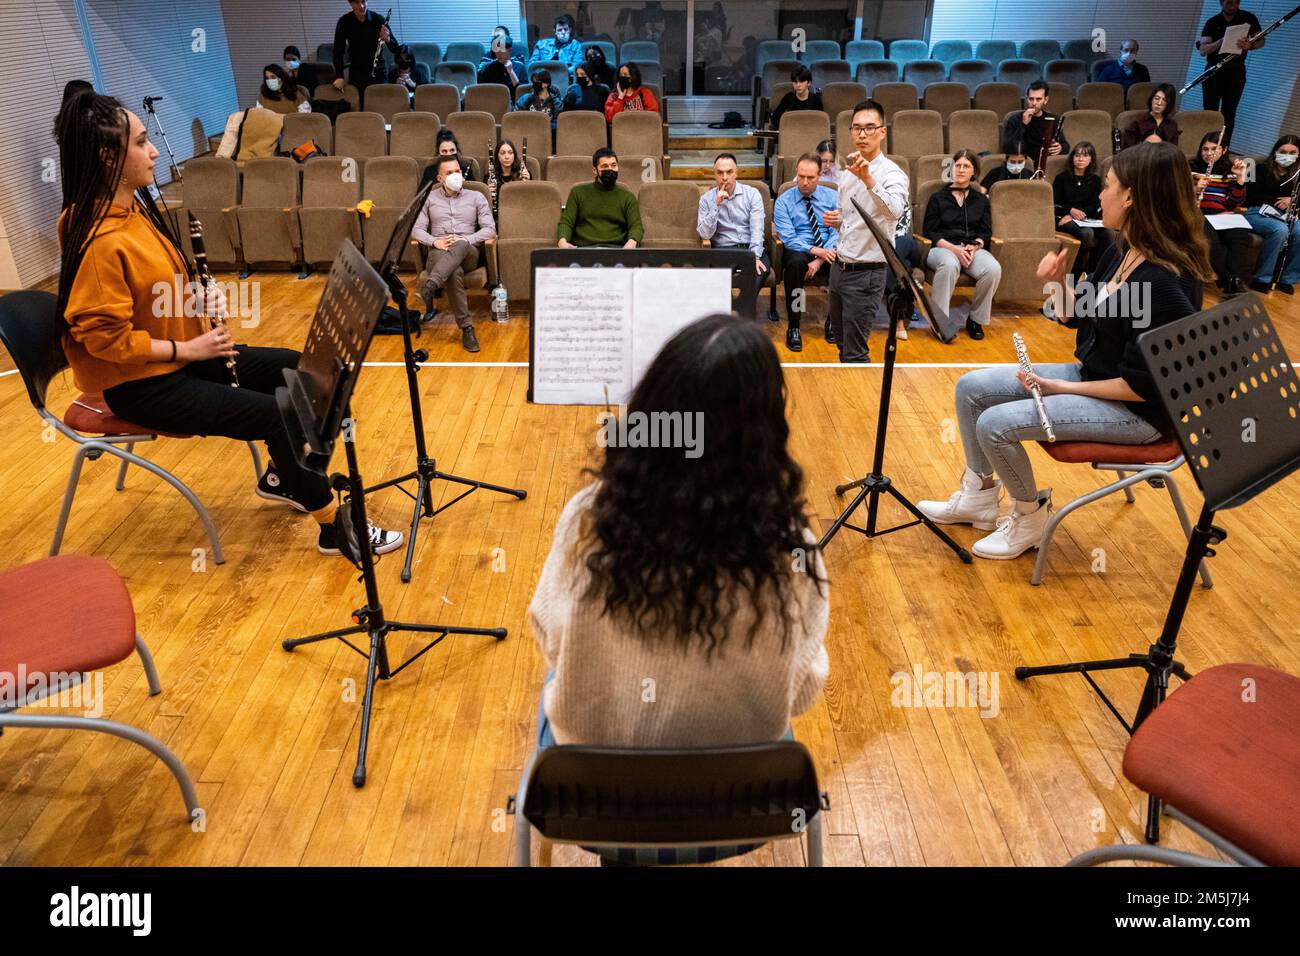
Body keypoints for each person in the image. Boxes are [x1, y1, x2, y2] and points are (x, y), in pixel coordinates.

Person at [527, 313, 829, 864]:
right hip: (745, 800)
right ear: (764, 427)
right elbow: (803, 690)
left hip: (590, 798)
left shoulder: (588, 520)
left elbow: (551, 639)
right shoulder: (793, 547)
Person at [54, 90, 402, 561]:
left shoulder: (134, 211)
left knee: (300, 370)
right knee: (277, 413)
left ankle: (284, 476)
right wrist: (190, 351)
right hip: (144, 384)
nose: (154, 149)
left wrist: (196, 296)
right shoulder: (99, 236)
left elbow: (152, 290)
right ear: (107, 157)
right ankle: (331, 527)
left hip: (179, 359)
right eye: (140, 143)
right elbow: (106, 340)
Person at [917, 142, 1214, 560]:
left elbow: (1143, 386)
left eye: (1107, 185)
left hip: (1139, 414)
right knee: (971, 388)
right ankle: (979, 497)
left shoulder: (1164, 283)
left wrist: (1059, 387)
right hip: (1097, 379)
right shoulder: (1123, 249)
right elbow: (1083, 315)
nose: (1099, 193)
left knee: (996, 424)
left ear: (1130, 197)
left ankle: (1029, 516)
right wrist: (1059, 285)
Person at [822, 100, 908, 364]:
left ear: (883, 132)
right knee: (840, 342)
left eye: (869, 128)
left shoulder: (893, 173)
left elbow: (894, 212)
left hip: (867, 272)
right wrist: (837, 221)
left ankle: (859, 405)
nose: (862, 134)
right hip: (840, 267)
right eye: (857, 128)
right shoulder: (848, 173)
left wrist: (869, 179)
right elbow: (851, 220)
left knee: (855, 351)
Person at [411, 154, 495, 353]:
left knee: (460, 247)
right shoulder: (429, 199)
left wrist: (466, 240)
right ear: (440, 178)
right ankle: (467, 328)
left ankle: (430, 286)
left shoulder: (476, 197)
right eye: (449, 173)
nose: (455, 175)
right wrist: (435, 241)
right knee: (453, 271)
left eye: (457, 171)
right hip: (439, 252)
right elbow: (416, 230)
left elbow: (490, 229)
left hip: (468, 252)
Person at [923, 149, 1001, 340]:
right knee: (950, 264)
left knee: (992, 268)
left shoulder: (981, 200)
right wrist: (954, 249)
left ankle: (976, 319)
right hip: (942, 248)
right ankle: (939, 322)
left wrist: (974, 247)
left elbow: (985, 231)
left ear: (973, 172)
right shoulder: (938, 197)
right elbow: (930, 231)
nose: (961, 169)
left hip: (970, 248)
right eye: (957, 165)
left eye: (966, 166)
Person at [773, 154, 838, 351]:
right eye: (801, 176)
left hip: (828, 247)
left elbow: (838, 230)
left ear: (820, 176)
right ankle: (794, 325)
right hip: (800, 247)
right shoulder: (784, 201)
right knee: (795, 264)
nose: (805, 182)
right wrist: (815, 251)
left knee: (844, 262)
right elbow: (788, 237)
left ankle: (833, 320)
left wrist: (819, 258)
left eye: (810, 177)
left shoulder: (832, 197)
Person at [697, 153, 769, 317]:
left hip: (751, 249)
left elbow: (757, 229)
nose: (724, 177)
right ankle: (731, 315)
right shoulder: (707, 199)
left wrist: (755, 256)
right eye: (720, 173)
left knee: (759, 271)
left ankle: (741, 316)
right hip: (724, 250)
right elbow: (704, 233)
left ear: (737, 173)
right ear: (714, 174)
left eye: (729, 172)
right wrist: (716, 206)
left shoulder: (752, 194)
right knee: (719, 278)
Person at [1197, 0, 1265, 150]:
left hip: (1236, 70)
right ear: (1221, 3)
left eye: (1236, 3)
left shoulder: (1249, 18)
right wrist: (1222, 41)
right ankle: (1205, 147)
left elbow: (1261, 40)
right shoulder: (1212, 22)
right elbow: (1203, 50)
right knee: (1209, 111)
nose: (1233, 7)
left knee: (1229, 112)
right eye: (1229, 3)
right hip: (1214, 70)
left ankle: (1223, 149)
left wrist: (1251, 45)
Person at [1190, 132, 1251, 294]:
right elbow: (1179, 198)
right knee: (1210, 236)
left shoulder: (1230, 170)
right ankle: (1227, 282)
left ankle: (1236, 279)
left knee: (1240, 235)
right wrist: (1195, 189)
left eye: (1214, 149)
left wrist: (1240, 180)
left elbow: (1234, 203)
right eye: (1205, 149)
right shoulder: (1190, 168)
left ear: (1224, 150)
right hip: (1197, 213)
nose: (1209, 153)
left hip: (1221, 214)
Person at [1243, 135, 1300, 294]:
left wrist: (1292, 200)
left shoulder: (1297, 175)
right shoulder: (1258, 168)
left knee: (1299, 231)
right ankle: (1262, 279)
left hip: (1283, 216)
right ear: (1275, 151)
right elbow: (1249, 197)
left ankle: (1287, 278)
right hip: (1256, 212)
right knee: (1280, 230)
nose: (1287, 156)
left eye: (1292, 152)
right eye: (1283, 151)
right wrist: (1276, 200)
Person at [558, 148, 643, 248]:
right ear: (595, 170)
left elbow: (636, 226)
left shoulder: (627, 197)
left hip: (617, 251)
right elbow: (567, 222)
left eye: (613, 165)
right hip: (584, 250)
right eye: (605, 166)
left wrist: (632, 241)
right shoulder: (577, 192)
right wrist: (562, 241)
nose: (610, 169)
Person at [1053, 141, 1112, 279]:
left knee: (1109, 233)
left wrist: (1081, 214)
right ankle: (1078, 272)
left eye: (1085, 156)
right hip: (1065, 219)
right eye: (1077, 155)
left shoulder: (1095, 180)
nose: (1080, 159)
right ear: (1072, 157)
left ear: (1091, 159)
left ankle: (1097, 272)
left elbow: (1097, 206)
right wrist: (1070, 211)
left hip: (1088, 219)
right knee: (1087, 233)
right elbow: (1055, 203)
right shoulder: (1061, 178)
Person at [331, 0, 398, 99]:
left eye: (363, 1)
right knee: (359, 108)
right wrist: (339, 76)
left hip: (378, 71)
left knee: (382, 105)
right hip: (357, 72)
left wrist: (387, 39)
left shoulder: (378, 19)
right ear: (350, 3)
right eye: (356, 3)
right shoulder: (344, 22)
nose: (361, 6)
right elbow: (338, 52)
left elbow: (395, 48)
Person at [1002, 81, 1067, 164]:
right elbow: (1007, 148)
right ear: (1027, 99)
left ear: (1046, 100)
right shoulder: (1014, 119)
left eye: (1038, 99)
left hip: (1046, 164)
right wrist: (1023, 124)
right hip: (1023, 165)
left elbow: (1065, 145)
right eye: (1031, 99)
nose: (1034, 103)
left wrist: (1061, 148)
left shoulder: (1053, 119)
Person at [1121, 84, 1180, 148]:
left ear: (1169, 104)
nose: (1159, 103)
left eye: (1164, 100)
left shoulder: (1172, 125)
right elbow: (1127, 150)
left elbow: (1173, 151)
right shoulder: (1138, 122)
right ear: (1151, 99)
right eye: (1156, 98)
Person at [770, 65, 823, 129]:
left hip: (810, 133)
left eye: (801, 81)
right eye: (795, 82)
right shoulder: (788, 97)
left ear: (809, 83)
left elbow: (821, 122)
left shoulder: (816, 100)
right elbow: (775, 118)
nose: (798, 85)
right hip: (790, 132)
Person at [515, 68, 561, 134]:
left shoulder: (556, 102)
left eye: (537, 82)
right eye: (533, 82)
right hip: (528, 133)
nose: (534, 84)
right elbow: (515, 116)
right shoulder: (526, 98)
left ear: (546, 84)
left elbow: (557, 124)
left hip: (548, 136)